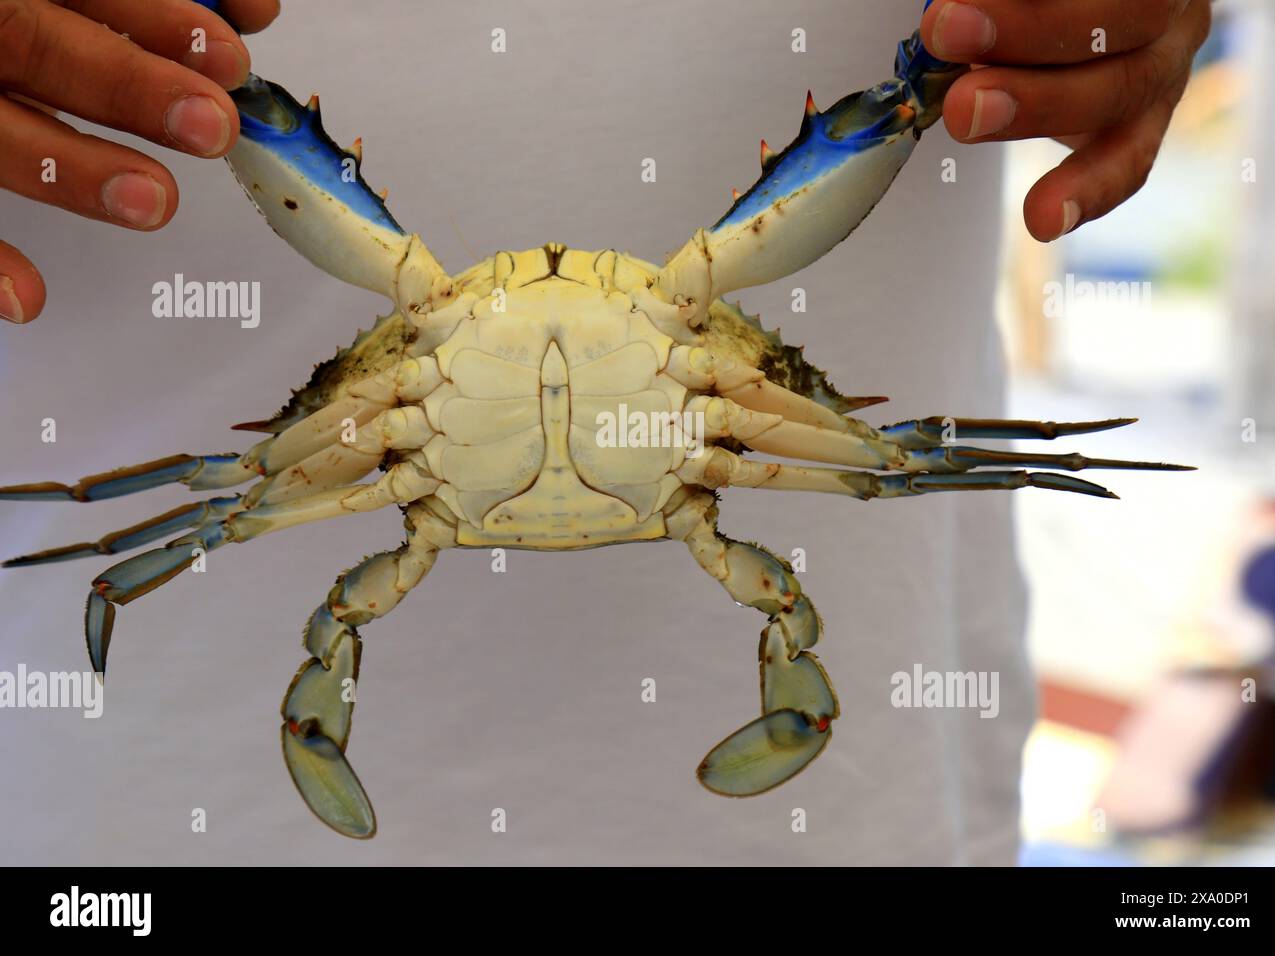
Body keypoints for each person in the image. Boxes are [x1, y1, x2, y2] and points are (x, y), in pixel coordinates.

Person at [0, 1, 1211, 864]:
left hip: (874, 814)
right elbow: (221, 493)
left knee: (902, 465)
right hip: (119, 827)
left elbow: (903, 459)